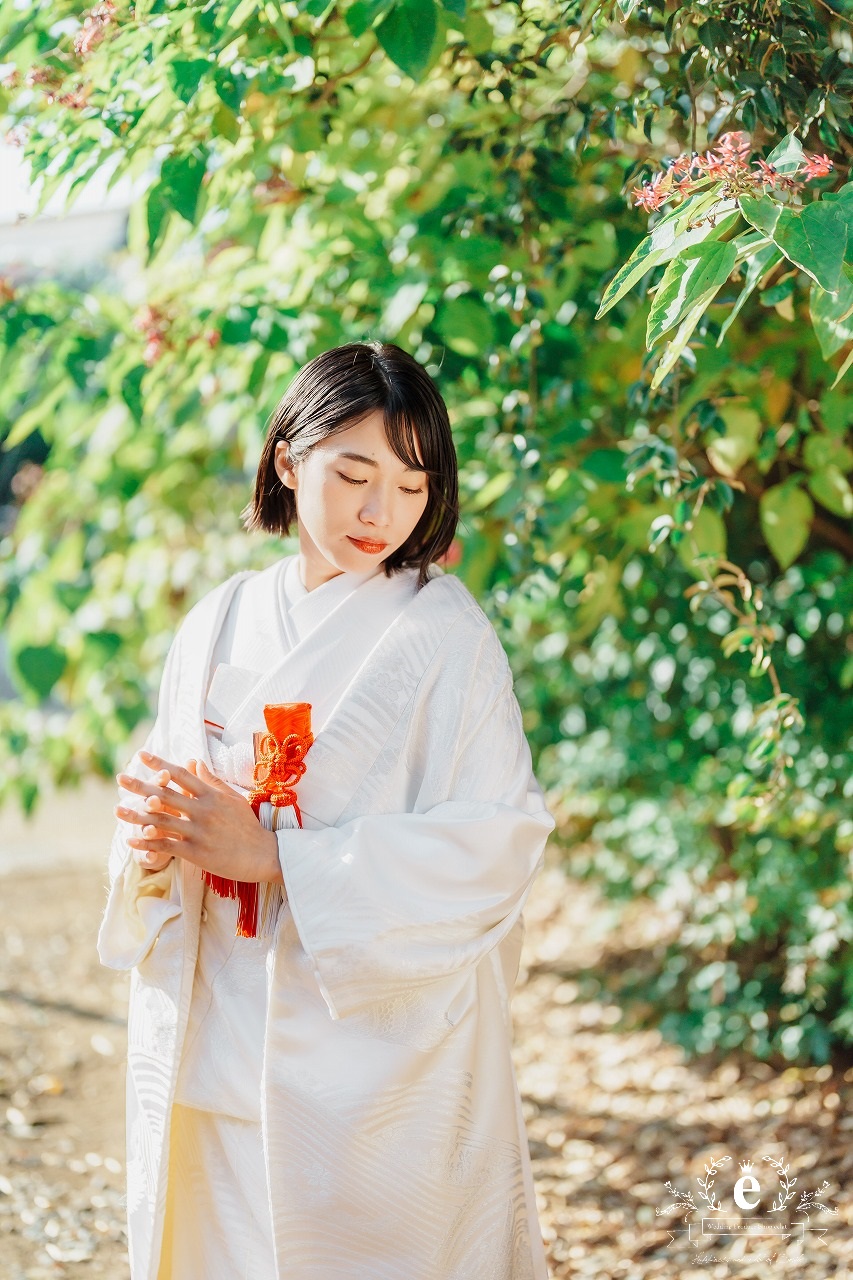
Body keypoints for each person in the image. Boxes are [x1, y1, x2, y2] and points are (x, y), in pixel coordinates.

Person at [97, 341, 556, 1280]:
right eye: (353, 476)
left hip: (375, 1071)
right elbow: (170, 790)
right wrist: (151, 835)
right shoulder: (218, 620)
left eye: (413, 486)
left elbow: (498, 843)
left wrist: (280, 859)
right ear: (287, 460)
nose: (381, 512)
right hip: (216, 1038)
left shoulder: (447, 637)